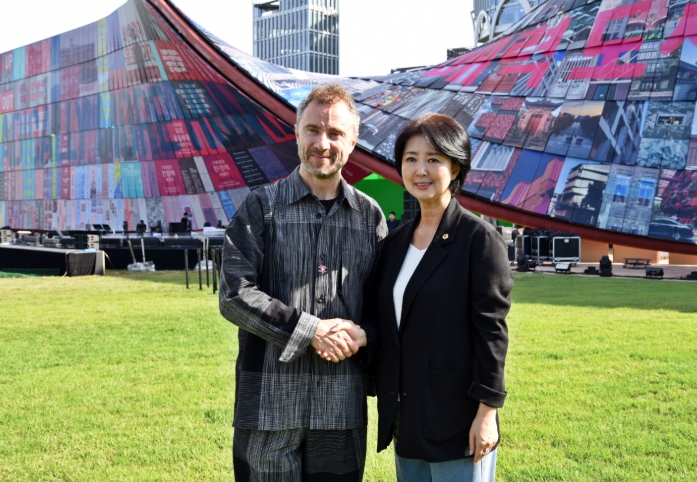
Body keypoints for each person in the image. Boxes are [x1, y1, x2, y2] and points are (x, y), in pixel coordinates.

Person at [219, 83, 387, 481]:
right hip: (268, 407)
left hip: (341, 408)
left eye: (335, 133)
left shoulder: (370, 217)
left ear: (353, 141)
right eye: (313, 129)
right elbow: (234, 294)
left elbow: (383, 308)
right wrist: (310, 330)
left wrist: (365, 335)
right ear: (296, 133)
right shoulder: (261, 207)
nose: (322, 143)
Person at [363, 113, 513, 481]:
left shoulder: (479, 240)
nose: (421, 170)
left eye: (433, 159)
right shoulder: (395, 243)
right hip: (406, 417)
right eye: (411, 158)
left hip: (458, 422)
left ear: (456, 167)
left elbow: (491, 333)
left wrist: (487, 412)